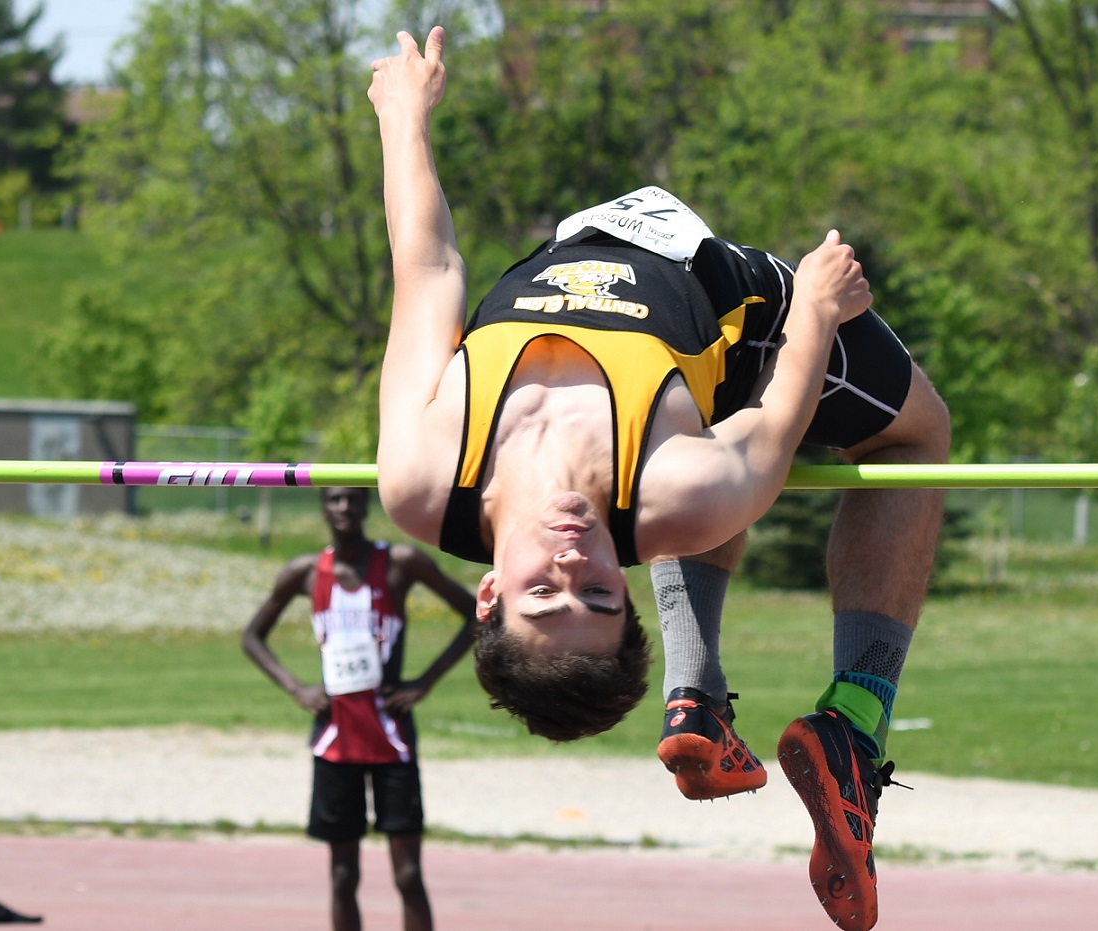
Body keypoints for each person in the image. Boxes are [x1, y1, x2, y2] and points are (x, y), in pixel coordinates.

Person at [368, 27, 949, 931]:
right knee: (919, 435)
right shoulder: (683, 492)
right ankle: (856, 715)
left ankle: (697, 699)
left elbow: (430, 269)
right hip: (742, 311)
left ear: (486, 593)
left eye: (540, 591)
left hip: (579, 258)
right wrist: (819, 304)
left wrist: (405, 118)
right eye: (598, 592)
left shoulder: (421, 478)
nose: (570, 558)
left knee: (708, 476)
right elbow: (776, 410)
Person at [242, 486, 476, 931]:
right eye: (334, 499)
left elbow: (475, 614)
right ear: (322, 507)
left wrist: (424, 682)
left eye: (353, 498)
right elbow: (252, 636)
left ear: (368, 505)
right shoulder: (306, 573)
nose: (344, 507)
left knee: (408, 875)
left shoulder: (401, 565)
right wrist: (297, 688)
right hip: (335, 740)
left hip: (391, 738)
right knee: (343, 874)